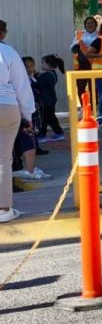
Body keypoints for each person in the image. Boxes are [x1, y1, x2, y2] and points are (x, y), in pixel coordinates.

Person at [0, 22, 36, 222]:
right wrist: (28, 115)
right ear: (3, 33)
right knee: (3, 159)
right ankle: (3, 209)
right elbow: (22, 86)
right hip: (7, 106)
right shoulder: (9, 52)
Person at [70, 16, 102, 126]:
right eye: (88, 23)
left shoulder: (100, 36)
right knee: (81, 87)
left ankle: (93, 110)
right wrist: (77, 45)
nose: (90, 25)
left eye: (92, 23)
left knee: (94, 89)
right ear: (85, 24)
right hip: (82, 64)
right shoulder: (79, 35)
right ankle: (84, 109)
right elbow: (72, 48)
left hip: (95, 65)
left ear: (96, 25)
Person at [36, 54, 66, 142]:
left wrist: (34, 77)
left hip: (46, 100)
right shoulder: (52, 74)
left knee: (44, 118)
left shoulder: (47, 75)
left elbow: (37, 84)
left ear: (48, 64)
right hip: (50, 99)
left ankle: (42, 135)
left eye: (43, 63)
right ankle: (58, 133)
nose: (41, 65)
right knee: (50, 118)